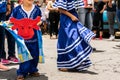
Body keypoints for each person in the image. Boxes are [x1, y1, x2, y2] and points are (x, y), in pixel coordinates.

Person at [54, 0, 95, 71]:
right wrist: (72, 16)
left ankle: (76, 62)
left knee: (76, 38)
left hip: (73, 17)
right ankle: (64, 64)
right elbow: (60, 9)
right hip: (67, 19)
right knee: (68, 40)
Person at [10, 0, 43, 79]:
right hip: (22, 39)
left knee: (35, 54)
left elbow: (40, 20)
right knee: (24, 55)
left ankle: (33, 69)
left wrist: (37, 23)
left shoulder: (37, 9)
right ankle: (22, 72)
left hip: (34, 37)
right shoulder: (17, 10)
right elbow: (12, 20)